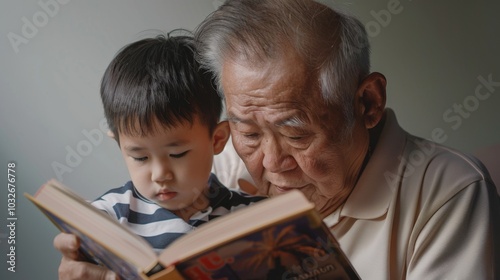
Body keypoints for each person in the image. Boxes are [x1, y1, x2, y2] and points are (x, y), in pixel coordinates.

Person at [55, 0, 500, 279]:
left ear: (367, 103)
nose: (269, 163)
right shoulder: (216, 162)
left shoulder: (449, 191)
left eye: (296, 133)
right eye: (248, 132)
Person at [54, 32, 265, 279]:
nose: (160, 174)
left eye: (177, 154)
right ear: (119, 145)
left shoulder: (256, 218)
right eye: (140, 158)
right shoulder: (108, 218)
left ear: (217, 139)